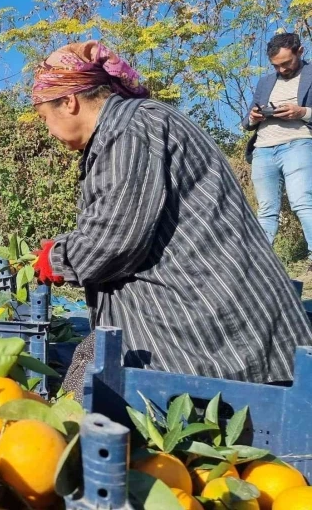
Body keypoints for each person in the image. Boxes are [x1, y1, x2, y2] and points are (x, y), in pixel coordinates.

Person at [31, 41, 312, 400]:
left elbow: (116, 238)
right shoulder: (133, 123)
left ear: (69, 102)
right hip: (203, 298)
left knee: (92, 400)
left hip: (211, 321)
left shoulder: (129, 130)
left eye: (45, 119)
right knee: (88, 367)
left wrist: (58, 258)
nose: (49, 131)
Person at [242, 32, 312, 268]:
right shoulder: (265, 82)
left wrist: (301, 112)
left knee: (302, 202)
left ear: (300, 52)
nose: (281, 70)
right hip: (263, 149)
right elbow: (246, 122)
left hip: (298, 143)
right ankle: (260, 266)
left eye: (286, 63)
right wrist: (253, 117)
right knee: (266, 210)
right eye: (276, 66)